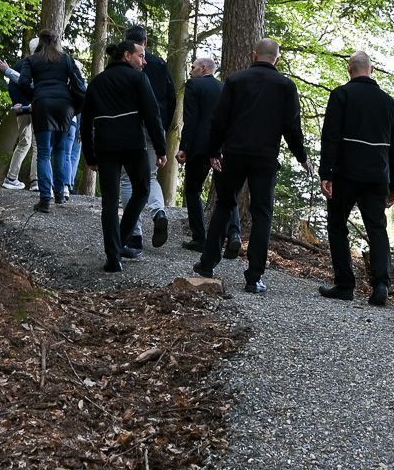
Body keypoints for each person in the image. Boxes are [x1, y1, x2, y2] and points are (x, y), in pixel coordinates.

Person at [193, 38, 308, 294]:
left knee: (224, 204)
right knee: (262, 213)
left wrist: (214, 150)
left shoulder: (236, 80)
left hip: (234, 153)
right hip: (265, 157)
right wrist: (302, 156)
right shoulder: (286, 86)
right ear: (277, 58)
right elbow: (292, 127)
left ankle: (207, 263)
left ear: (254, 54)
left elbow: (219, 119)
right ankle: (254, 277)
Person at [317, 50, 394, 307]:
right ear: (372, 69)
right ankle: (381, 284)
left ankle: (345, 284)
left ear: (349, 69)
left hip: (345, 173)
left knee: (337, 226)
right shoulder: (389, 103)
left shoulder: (341, 95)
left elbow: (330, 136)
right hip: (377, 175)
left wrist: (326, 173)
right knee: (376, 228)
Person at [80, 38, 168, 272]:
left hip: (105, 146)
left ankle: (113, 255)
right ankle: (119, 241)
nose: (144, 60)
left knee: (110, 201)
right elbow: (152, 115)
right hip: (133, 145)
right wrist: (161, 149)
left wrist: (90, 155)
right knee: (142, 191)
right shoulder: (138, 79)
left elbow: (85, 123)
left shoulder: (97, 82)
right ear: (127, 56)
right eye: (141, 55)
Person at [177, 55, 242, 254]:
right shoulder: (225, 88)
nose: (191, 70)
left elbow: (191, 119)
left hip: (200, 146)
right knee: (227, 193)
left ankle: (200, 238)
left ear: (204, 68)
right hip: (224, 148)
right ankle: (234, 234)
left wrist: (184, 147)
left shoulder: (194, 86)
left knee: (193, 190)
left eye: (193, 67)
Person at [13, 32, 85, 212]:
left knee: (44, 152)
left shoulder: (32, 60)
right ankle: (60, 193)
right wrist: (76, 105)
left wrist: (35, 95)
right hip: (65, 107)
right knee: (61, 150)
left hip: (43, 106)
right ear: (56, 42)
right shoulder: (66, 59)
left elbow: (22, 82)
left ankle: (45, 198)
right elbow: (80, 83)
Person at [0, 41, 38, 190]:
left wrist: (17, 102)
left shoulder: (21, 64)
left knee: (25, 142)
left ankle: (13, 178)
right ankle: (34, 181)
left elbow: (14, 85)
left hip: (24, 109)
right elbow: (23, 84)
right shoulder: (42, 65)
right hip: (33, 108)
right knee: (34, 144)